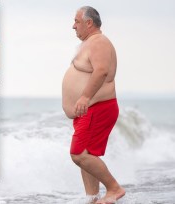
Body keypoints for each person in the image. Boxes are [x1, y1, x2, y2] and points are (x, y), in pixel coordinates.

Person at [62, 6, 125, 204]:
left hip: (97, 107)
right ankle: (92, 198)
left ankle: (114, 189)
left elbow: (101, 71)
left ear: (89, 23)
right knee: (87, 156)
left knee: (78, 154)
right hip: (87, 110)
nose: (73, 26)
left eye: (77, 21)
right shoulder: (90, 43)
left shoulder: (99, 42)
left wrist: (84, 97)